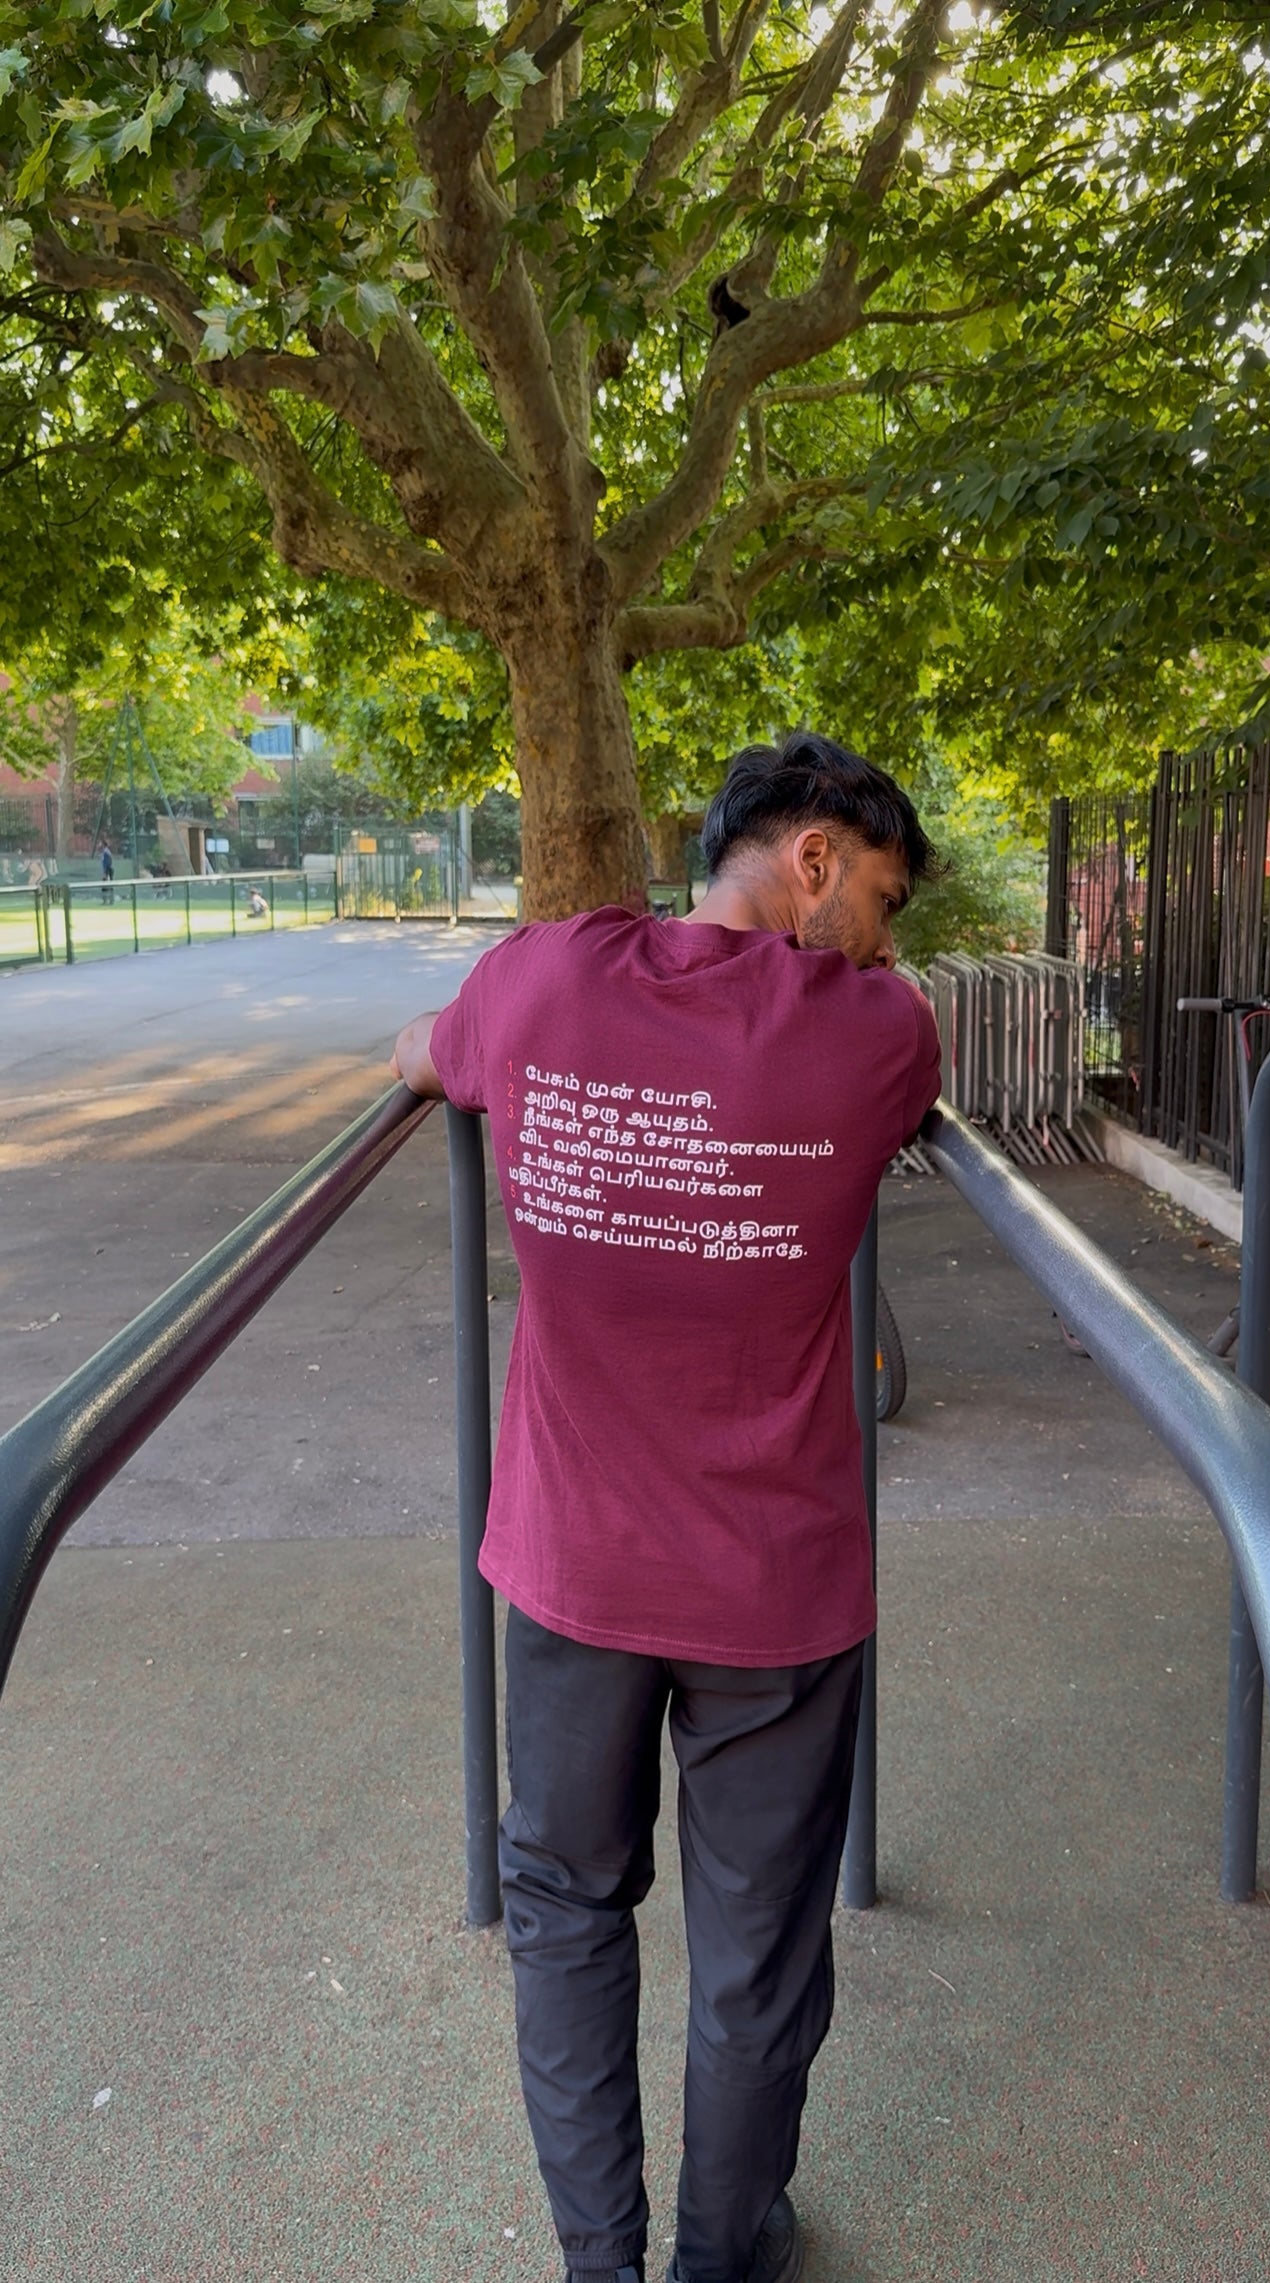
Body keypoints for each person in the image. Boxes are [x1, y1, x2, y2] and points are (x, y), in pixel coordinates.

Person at [391, 733, 943, 2283]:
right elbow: (906, 1037)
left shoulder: (537, 982)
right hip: (773, 1586)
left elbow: (422, 1054)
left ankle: (599, 2264)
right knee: (755, 1949)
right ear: (814, 857)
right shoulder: (876, 1035)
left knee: (565, 1908)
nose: (878, 942)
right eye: (879, 896)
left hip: (573, 1565)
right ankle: (721, 2256)